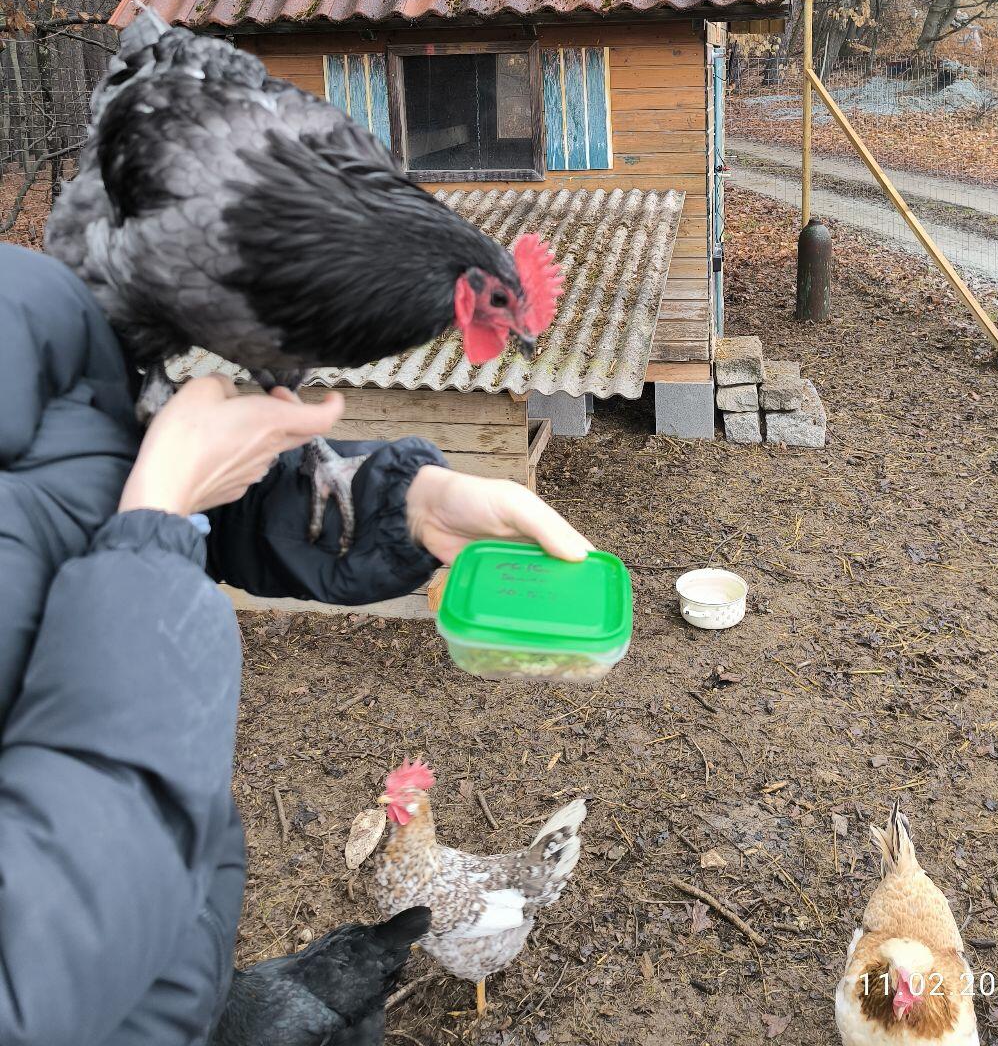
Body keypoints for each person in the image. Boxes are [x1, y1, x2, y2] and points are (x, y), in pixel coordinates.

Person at [0, 242, 590, 1046]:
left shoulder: (30, 302)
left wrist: (397, 507)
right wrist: (157, 525)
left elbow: (101, 492)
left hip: (177, 957)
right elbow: (37, 961)